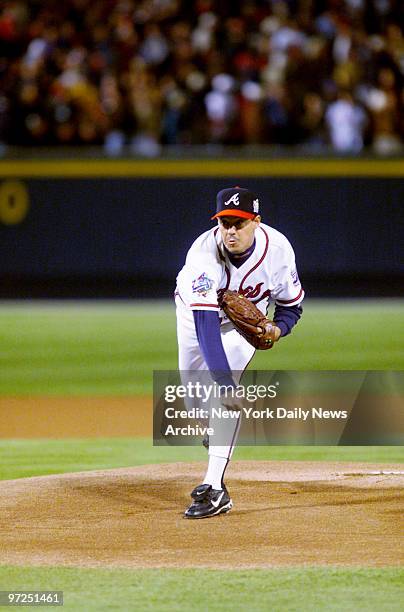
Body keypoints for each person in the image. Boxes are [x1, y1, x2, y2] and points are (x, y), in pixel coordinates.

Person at [175, 187, 304, 519]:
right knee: (195, 397)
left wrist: (278, 329)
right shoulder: (204, 254)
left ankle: (214, 487)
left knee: (224, 395)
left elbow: (291, 307)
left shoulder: (278, 251)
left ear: (256, 222)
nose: (231, 231)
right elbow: (205, 326)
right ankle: (213, 430)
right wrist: (221, 381)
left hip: (240, 330)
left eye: (240, 223)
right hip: (194, 316)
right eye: (225, 223)